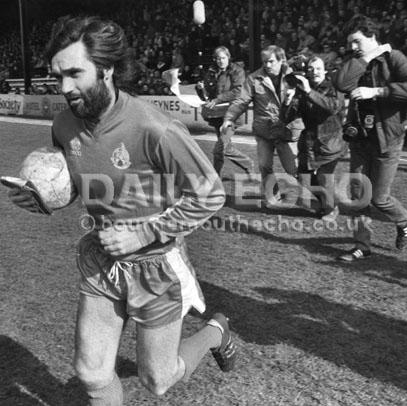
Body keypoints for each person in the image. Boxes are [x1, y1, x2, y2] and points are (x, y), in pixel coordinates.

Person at [8, 16, 237, 405]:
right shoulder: (64, 124)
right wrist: (43, 199)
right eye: (58, 75)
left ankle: (216, 330)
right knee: (92, 374)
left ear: (107, 69)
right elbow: (80, 182)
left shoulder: (154, 128)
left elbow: (210, 193)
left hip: (155, 266)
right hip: (102, 259)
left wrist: (145, 232)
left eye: (75, 74)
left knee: (158, 380)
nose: (64, 87)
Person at [333, 15, 407, 261]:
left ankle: (405, 219)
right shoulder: (357, 59)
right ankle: (362, 245)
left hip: (388, 139)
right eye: (350, 42)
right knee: (358, 195)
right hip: (360, 138)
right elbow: (341, 83)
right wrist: (364, 57)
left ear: (371, 36)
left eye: (357, 41)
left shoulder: (394, 57)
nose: (352, 47)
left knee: (379, 198)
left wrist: (378, 91)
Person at [221, 45, 299, 205]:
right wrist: (229, 118)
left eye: (271, 61)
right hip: (265, 131)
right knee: (264, 165)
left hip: (287, 132)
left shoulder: (295, 77)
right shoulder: (254, 78)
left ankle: (322, 199)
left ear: (281, 60)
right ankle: (273, 195)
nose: (267, 65)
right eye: (264, 62)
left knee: (294, 170)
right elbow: (241, 101)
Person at [282, 56, 346, 221]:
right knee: (305, 179)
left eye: (318, 68)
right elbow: (286, 118)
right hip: (309, 142)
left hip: (331, 141)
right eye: (310, 69)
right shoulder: (302, 88)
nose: (314, 72)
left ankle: (331, 209)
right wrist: (288, 99)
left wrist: (309, 91)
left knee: (325, 177)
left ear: (325, 70)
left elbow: (332, 107)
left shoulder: (334, 87)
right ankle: (327, 202)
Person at [196, 46, 254, 177]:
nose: (221, 61)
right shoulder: (211, 72)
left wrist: (217, 100)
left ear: (228, 57)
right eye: (218, 58)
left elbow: (238, 91)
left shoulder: (237, 71)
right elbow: (207, 96)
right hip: (217, 115)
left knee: (220, 147)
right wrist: (200, 89)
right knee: (225, 147)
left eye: (223, 58)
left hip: (232, 114)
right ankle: (247, 163)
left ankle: (214, 176)